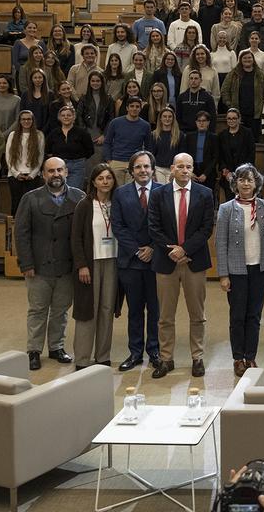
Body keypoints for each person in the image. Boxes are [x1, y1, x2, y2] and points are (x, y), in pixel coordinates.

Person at [147, 152, 216, 379]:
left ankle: (197, 357)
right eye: (180, 166)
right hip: (166, 262)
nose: (185, 170)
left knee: (197, 314)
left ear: (192, 169)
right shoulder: (158, 194)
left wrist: (185, 249)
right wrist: (173, 251)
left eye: (189, 166)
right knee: (165, 316)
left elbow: (206, 228)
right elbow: (154, 228)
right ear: (172, 169)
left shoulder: (205, 194)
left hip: (194, 262)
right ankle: (166, 359)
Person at [15, 157, 83, 370]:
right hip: (39, 266)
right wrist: (26, 263)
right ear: (43, 174)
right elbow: (21, 233)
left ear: (66, 172)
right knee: (37, 309)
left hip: (66, 266)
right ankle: (34, 350)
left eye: (60, 170)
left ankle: (56, 347)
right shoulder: (30, 198)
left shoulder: (79, 197)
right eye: (51, 171)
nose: (56, 174)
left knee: (61, 310)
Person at [215, 162, 264, 377]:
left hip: (260, 269)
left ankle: (251, 356)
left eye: (250, 179)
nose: (246, 183)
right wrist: (223, 274)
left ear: (256, 182)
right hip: (236, 271)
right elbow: (220, 243)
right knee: (237, 316)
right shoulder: (226, 208)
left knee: (255, 316)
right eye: (241, 179)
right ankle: (237, 358)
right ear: (235, 183)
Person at [109, 150, 162, 372]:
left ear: (152, 169)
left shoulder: (163, 191)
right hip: (130, 261)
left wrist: (151, 248)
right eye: (138, 167)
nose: (143, 170)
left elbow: (166, 225)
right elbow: (118, 225)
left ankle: (155, 351)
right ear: (131, 171)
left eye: (146, 166)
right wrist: (137, 250)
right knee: (135, 309)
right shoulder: (121, 193)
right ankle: (135, 352)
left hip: (156, 260)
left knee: (155, 309)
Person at [70, 163, 119, 369]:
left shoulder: (118, 203)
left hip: (113, 262)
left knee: (107, 309)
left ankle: (102, 356)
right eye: (100, 178)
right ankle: (82, 358)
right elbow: (75, 238)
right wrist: (81, 265)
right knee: (87, 309)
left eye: (108, 178)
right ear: (93, 182)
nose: (105, 182)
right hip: (90, 263)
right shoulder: (84, 204)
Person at [103, 97, 153, 186]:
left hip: (135, 163)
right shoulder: (115, 123)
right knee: (116, 191)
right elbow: (107, 142)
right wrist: (109, 160)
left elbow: (148, 146)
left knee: (132, 191)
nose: (134, 108)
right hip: (117, 162)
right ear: (127, 108)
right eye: (132, 106)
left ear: (141, 108)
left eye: (137, 107)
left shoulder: (145, 126)